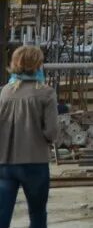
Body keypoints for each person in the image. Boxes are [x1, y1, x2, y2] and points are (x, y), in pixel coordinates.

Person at [0, 45, 59, 228]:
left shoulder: (5, 92)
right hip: (35, 162)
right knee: (37, 212)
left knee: (2, 214)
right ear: (38, 64)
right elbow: (52, 131)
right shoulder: (46, 92)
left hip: (5, 162)